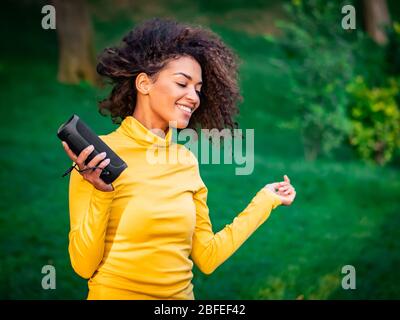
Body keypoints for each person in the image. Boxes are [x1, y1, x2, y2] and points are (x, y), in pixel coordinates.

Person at [61, 18, 296, 300]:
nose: (193, 97)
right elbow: (83, 266)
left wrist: (264, 200)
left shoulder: (186, 161)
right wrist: (101, 193)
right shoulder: (96, 160)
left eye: (198, 88)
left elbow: (207, 256)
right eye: (182, 83)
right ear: (144, 83)